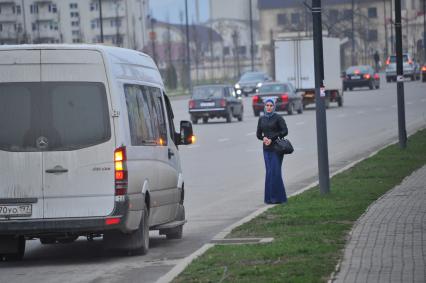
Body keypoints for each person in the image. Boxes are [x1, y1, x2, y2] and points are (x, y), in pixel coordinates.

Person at [256, 98, 288, 204]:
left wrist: (272, 138)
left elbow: (285, 131)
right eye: (267, 105)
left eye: (271, 105)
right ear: (264, 106)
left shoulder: (278, 118)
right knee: (269, 173)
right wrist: (263, 138)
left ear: (274, 106)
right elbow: (258, 134)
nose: (269, 107)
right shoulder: (261, 119)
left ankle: (279, 198)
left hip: (276, 149)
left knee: (276, 172)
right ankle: (269, 199)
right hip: (266, 149)